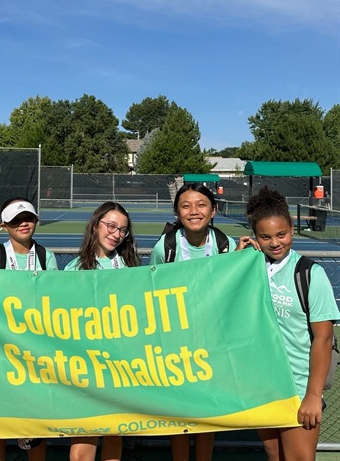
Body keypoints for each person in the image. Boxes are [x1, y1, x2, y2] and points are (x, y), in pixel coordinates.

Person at [240, 186, 340, 461]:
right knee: (275, 456)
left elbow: (322, 339)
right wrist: (236, 260)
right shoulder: (250, 267)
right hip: (261, 387)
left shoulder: (310, 274)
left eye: (281, 234)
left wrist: (312, 395)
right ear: (255, 236)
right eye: (266, 236)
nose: (275, 243)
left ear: (292, 228)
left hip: (297, 389)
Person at [149, 183, 237, 461]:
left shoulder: (227, 246)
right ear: (177, 212)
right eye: (186, 206)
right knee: (180, 413)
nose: (194, 211)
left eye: (201, 205)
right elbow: (151, 291)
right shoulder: (166, 247)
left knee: (206, 413)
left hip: (212, 345)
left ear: (214, 210)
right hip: (177, 345)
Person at [0, 196, 57, 461]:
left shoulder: (47, 257)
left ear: (36, 220)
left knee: (37, 426)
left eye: (28, 218)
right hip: (2, 353)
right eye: (16, 221)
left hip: (37, 354)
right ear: (4, 225)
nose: (23, 224)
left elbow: (55, 301)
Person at [64, 201, 140, 461]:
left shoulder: (131, 269)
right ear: (96, 225)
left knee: (113, 438)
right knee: (82, 448)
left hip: (120, 368)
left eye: (122, 230)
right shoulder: (74, 269)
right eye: (110, 226)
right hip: (86, 369)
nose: (116, 234)